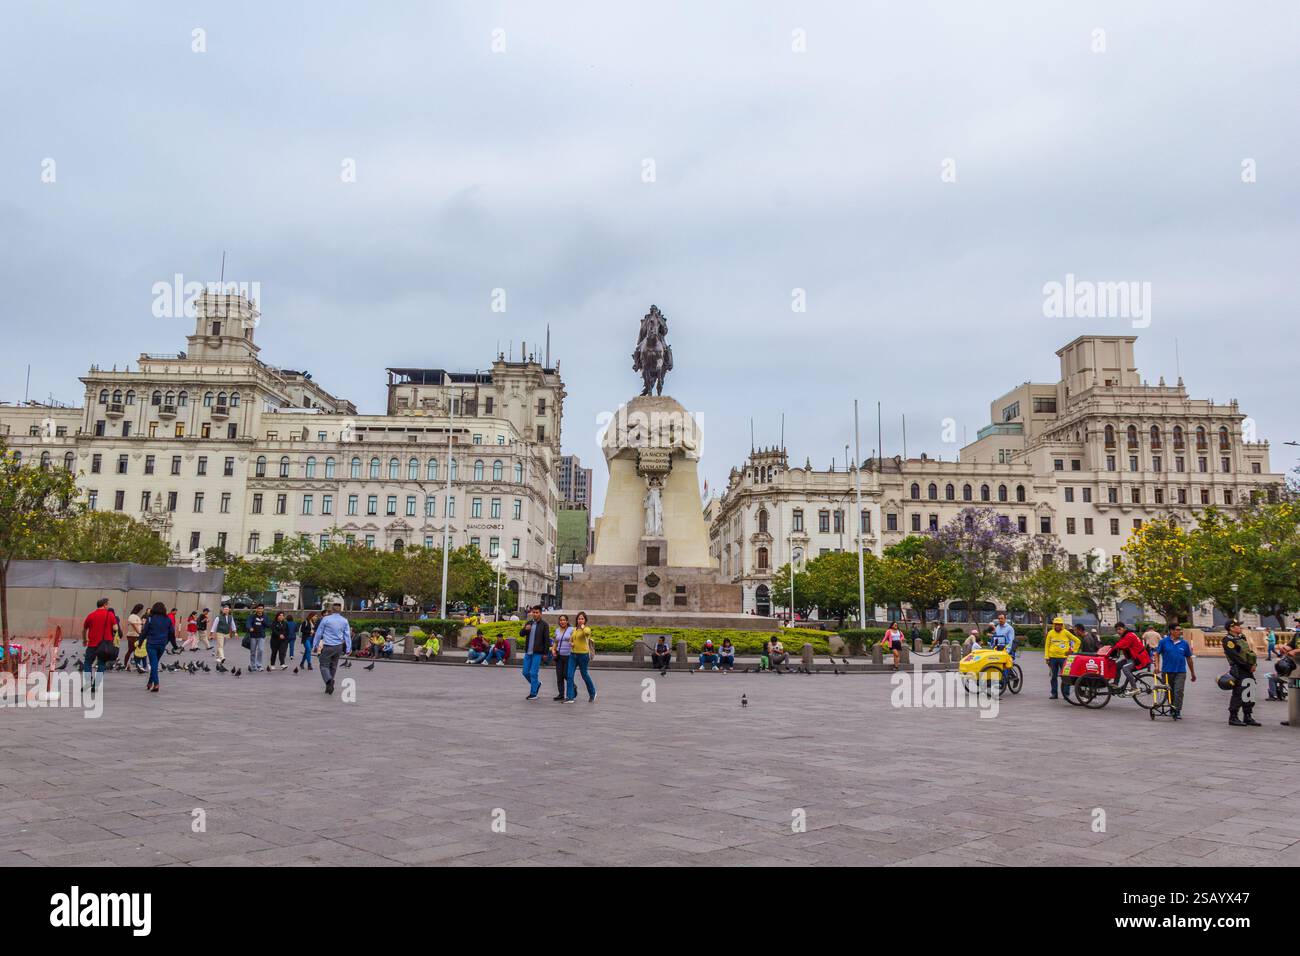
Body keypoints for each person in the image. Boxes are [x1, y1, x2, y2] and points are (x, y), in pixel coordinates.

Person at [1222, 620, 1260, 727]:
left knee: (1250, 691)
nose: (1240, 627)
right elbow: (1235, 657)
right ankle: (1233, 717)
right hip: (1239, 669)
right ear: (1231, 628)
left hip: (1248, 669)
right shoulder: (1228, 640)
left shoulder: (1241, 637)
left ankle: (1248, 716)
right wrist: (1248, 666)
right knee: (1239, 692)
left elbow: (1248, 653)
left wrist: (1254, 664)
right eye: (1237, 626)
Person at [1154, 624, 1196, 720]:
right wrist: (1157, 666)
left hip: (1180, 671)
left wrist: (1193, 673)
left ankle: (1177, 710)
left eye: (1180, 630)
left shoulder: (1184, 643)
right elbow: (1156, 654)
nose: (1180, 632)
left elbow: (1189, 658)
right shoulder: (1163, 642)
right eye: (1177, 630)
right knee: (1169, 692)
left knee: (1179, 691)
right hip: (1167, 672)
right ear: (1171, 631)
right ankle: (1172, 708)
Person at [314, 603, 352, 695]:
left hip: (328, 645)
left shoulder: (326, 619)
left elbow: (319, 632)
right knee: (333, 666)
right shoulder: (344, 620)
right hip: (339, 646)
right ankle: (329, 686)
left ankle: (329, 680)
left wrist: (315, 644)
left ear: (331, 610)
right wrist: (348, 648)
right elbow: (347, 635)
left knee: (323, 665)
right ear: (340, 610)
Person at [141, 601, 179, 692]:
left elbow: (145, 632)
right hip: (162, 644)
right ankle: (150, 683)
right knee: (155, 662)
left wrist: (140, 642)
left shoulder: (150, 619)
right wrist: (174, 645)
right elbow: (171, 633)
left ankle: (156, 684)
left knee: (153, 663)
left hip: (151, 644)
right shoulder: (168, 620)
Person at [81, 597, 116, 693]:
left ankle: (88, 682)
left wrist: (85, 640)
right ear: (104, 605)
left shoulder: (91, 615)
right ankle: (96, 685)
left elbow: (84, 629)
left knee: (88, 662)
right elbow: (115, 628)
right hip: (104, 644)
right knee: (101, 664)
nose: (108, 606)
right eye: (108, 604)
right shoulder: (110, 615)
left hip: (92, 643)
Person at [1043, 617, 1080, 701]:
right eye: (1056, 624)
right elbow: (1047, 645)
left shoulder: (1066, 633)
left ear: (1062, 625)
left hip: (1064, 658)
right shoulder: (1050, 633)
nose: (1058, 626)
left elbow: (1077, 641)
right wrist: (1046, 657)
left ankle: (1066, 694)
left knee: (1066, 676)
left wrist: (1072, 650)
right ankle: (1054, 693)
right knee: (1053, 677)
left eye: (1059, 624)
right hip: (1052, 658)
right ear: (1054, 625)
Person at [519, 606, 551, 700]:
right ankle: (536, 684)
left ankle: (533, 693)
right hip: (528, 653)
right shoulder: (529, 623)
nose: (535, 614)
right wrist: (525, 629)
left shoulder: (544, 625)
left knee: (533, 673)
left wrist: (545, 653)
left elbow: (546, 640)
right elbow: (521, 634)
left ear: (540, 614)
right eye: (534, 612)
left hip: (538, 653)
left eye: (537, 612)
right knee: (525, 672)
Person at [1111, 623, 1152, 696]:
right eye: (1116, 630)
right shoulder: (1126, 635)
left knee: (1125, 668)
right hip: (1133, 658)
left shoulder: (1129, 636)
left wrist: (1110, 651)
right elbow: (1119, 644)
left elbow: (1119, 645)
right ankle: (1115, 684)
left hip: (1139, 659)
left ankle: (1134, 688)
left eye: (1119, 629)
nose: (1118, 631)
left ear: (1124, 628)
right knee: (1116, 666)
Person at [565, 611, 596, 702]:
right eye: (579, 619)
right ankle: (570, 697)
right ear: (576, 620)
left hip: (583, 655)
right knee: (569, 675)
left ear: (585, 620)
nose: (580, 620)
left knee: (584, 675)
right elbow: (570, 640)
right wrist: (571, 643)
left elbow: (586, 633)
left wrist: (582, 626)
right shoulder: (574, 630)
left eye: (582, 619)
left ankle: (592, 693)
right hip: (573, 655)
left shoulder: (586, 629)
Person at [552, 614, 574, 700]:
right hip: (559, 656)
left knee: (566, 675)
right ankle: (561, 694)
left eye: (564, 620)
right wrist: (553, 650)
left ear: (567, 621)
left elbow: (574, 640)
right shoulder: (557, 630)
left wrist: (572, 643)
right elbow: (555, 642)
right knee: (559, 676)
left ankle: (573, 687)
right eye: (561, 620)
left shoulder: (571, 629)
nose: (562, 622)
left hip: (569, 656)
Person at [246, 604, 268, 672]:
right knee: (253, 651)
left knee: (260, 650)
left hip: (261, 636)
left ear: (263, 609)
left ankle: (259, 665)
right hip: (253, 636)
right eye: (259, 608)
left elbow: (268, 625)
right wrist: (250, 628)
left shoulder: (265, 616)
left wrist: (263, 620)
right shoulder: (252, 616)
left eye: (261, 608)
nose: (260, 610)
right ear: (256, 609)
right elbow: (248, 623)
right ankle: (253, 666)